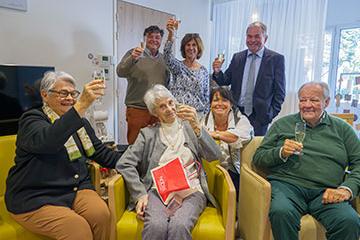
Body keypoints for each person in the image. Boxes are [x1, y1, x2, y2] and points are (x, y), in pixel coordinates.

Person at [5, 71, 127, 240]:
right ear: (44, 95)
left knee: (101, 215)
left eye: (73, 93)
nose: (70, 98)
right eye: (63, 93)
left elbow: (101, 153)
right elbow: (49, 141)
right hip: (36, 195)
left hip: (75, 188)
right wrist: (81, 105)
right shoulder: (31, 120)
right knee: (77, 229)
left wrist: (136, 158)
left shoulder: (80, 123)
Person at [253, 82, 360, 240]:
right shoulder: (282, 124)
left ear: (327, 102)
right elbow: (258, 158)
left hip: (327, 190)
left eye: (314, 100)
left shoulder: (342, 129)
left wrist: (346, 189)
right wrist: (280, 152)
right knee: (281, 212)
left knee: (349, 221)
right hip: (287, 186)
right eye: (303, 100)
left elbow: (358, 163)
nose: (307, 105)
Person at [116, 84, 221, 240]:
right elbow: (124, 163)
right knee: (155, 226)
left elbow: (214, 155)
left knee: (179, 225)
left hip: (191, 190)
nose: (170, 109)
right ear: (155, 112)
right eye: (162, 106)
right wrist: (140, 194)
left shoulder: (190, 127)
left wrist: (198, 128)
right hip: (159, 191)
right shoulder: (148, 134)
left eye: (171, 103)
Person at [212, 21, 286, 136]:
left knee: (255, 151)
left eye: (257, 36)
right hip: (236, 114)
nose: (252, 40)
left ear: (265, 38)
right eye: (249, 36)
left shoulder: (276, 59)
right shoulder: (238, 57)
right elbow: (225, 81)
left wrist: (269, 115)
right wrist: (217, 71)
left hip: (260, 117)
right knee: (234, 148)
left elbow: (280, 93)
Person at [117, 25, 170, 144]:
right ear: (145, 39)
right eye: (150, 37)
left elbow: (167, 83)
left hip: (158, 109)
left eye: (157, 37)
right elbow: (120, 72)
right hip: (137, 108)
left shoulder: (164, 59)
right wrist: (133, 58)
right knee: (135, 144)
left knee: (157, 143)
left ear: (161, 41)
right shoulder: (133, 53)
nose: (154, 40)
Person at [202, 86, 253, 197]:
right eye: (215, 100)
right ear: (210, 105)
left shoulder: (240, 119)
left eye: (224, 100)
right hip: (209, 169)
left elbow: (242, 136)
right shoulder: (202, 120)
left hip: (232, 169)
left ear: (231, 105)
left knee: (235, 190)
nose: (219, 104)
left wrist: (216, 134)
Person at [164, 18, 210, 117]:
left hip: (197, 115)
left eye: (194, 45)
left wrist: (206, 118)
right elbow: (167, 56)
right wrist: (171, 34)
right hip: (178, 114)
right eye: (188, 45)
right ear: (184, 48)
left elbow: (206, 97)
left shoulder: (203, 71)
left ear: (198, 48)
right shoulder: (178, 67)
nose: (191, 48)